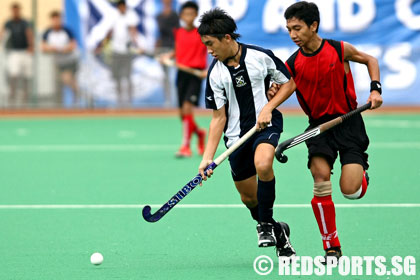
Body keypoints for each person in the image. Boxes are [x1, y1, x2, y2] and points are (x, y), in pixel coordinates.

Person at [269, 1, 383, 260]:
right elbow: (282, 88)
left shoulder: (337, 49)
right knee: (320, 177)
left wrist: (375, 88)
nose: (293, 35)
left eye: (297, 28)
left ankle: (360, 177)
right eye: (288, 29)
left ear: (313, 25)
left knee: (350, 190)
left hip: (349, 122)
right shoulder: (293, 63)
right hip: (318, 128)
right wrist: (273, 92)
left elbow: (370, 59)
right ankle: (332, 246)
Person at [197, 8, 297, 257]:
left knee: (263, 164)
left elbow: (289, 82)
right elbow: (218, 118)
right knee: (249, 200)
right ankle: (277, 230)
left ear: (227, 38)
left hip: (266, 125)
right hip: (235, 137)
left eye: (211, 44)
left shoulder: (260, 57)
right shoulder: (216, 73)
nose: (209, 50)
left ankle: (264, 226)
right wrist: (207, 157)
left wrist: (269, 108)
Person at [160, 1, 207, 157]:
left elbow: (212, 49)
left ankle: (185, 147)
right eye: (185, 14)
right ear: (181, 16)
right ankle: (199, 133)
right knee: (182, 114)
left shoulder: (201, 33)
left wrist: (208, 70)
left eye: (191, 13)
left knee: (188, 108)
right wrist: (168, 56)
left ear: (195, 15)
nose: (188, 17)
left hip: (196, 74)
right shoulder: (178, 32)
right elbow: (178, 50)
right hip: (182, 74)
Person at [41, 11, 80, 107]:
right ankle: (60, 105)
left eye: (58, 19)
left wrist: (62, 49)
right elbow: (44, 47)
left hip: (70, 61)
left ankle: (76, 99)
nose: (56, 22)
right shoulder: (48, 32)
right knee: (59, 83)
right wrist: (53, 49)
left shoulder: (67, 31)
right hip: (58, 63)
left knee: (67, 79)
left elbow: (72, 45)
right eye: (54, 20)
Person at [0, 3, 34, 107]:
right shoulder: (8, 23)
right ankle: (12, 98)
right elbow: (2, 34)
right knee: (13, 75)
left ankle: (25, 100)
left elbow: (29, 34)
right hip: (14, 52)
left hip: (25, 52)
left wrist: (31, 46)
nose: (16, 12)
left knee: (26, 76)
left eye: (17, 10)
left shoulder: (24, 22)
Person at [109, 0, 140, 106]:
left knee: (128, 77)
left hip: (127, 52)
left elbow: (134, 31)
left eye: (124, 6)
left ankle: (130, 101)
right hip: (116, 51)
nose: (122, 8)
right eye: (120, 7)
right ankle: (119, 101)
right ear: (118, 7)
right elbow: (110, 32)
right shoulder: (113, 17)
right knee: (117, 77)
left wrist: (137, 44)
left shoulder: (131, 16)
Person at [155, 0, 179, 107]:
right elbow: (159, 34)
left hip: (173, 49)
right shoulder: (159, 16)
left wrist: (177, 48)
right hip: (163, 48)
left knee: (174, 76)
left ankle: (177, 101)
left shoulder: (175, 15)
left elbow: (177, 32)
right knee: (165, 77)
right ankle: (168, 101)